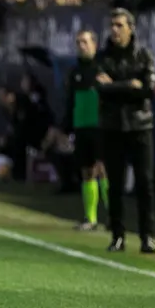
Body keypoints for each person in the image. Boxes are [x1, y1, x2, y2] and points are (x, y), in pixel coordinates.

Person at [95, 8, 155, 253]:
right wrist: (129, 85)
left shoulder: (144, 56)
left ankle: (147, 237)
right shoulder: (103, 57)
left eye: (120, 25)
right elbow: (100, 89)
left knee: (145, 183)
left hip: (140, 126)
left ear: (131, 28)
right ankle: (118, 235)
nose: (115, 30)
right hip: (112, 127)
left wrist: (115, 86)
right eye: (112, 25)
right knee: (116, 185)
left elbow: (148, 90)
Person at [62, 30, 109, 230]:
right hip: (81, 127)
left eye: (85, 42)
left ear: (94, 44)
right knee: (87, 171)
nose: (82, 46)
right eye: (79, 42)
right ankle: (90, 219)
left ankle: (114, 218)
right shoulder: (74, 72)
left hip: (100, 126)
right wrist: (67, 127)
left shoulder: (103, 68)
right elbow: (71, 101)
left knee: (103, 170)